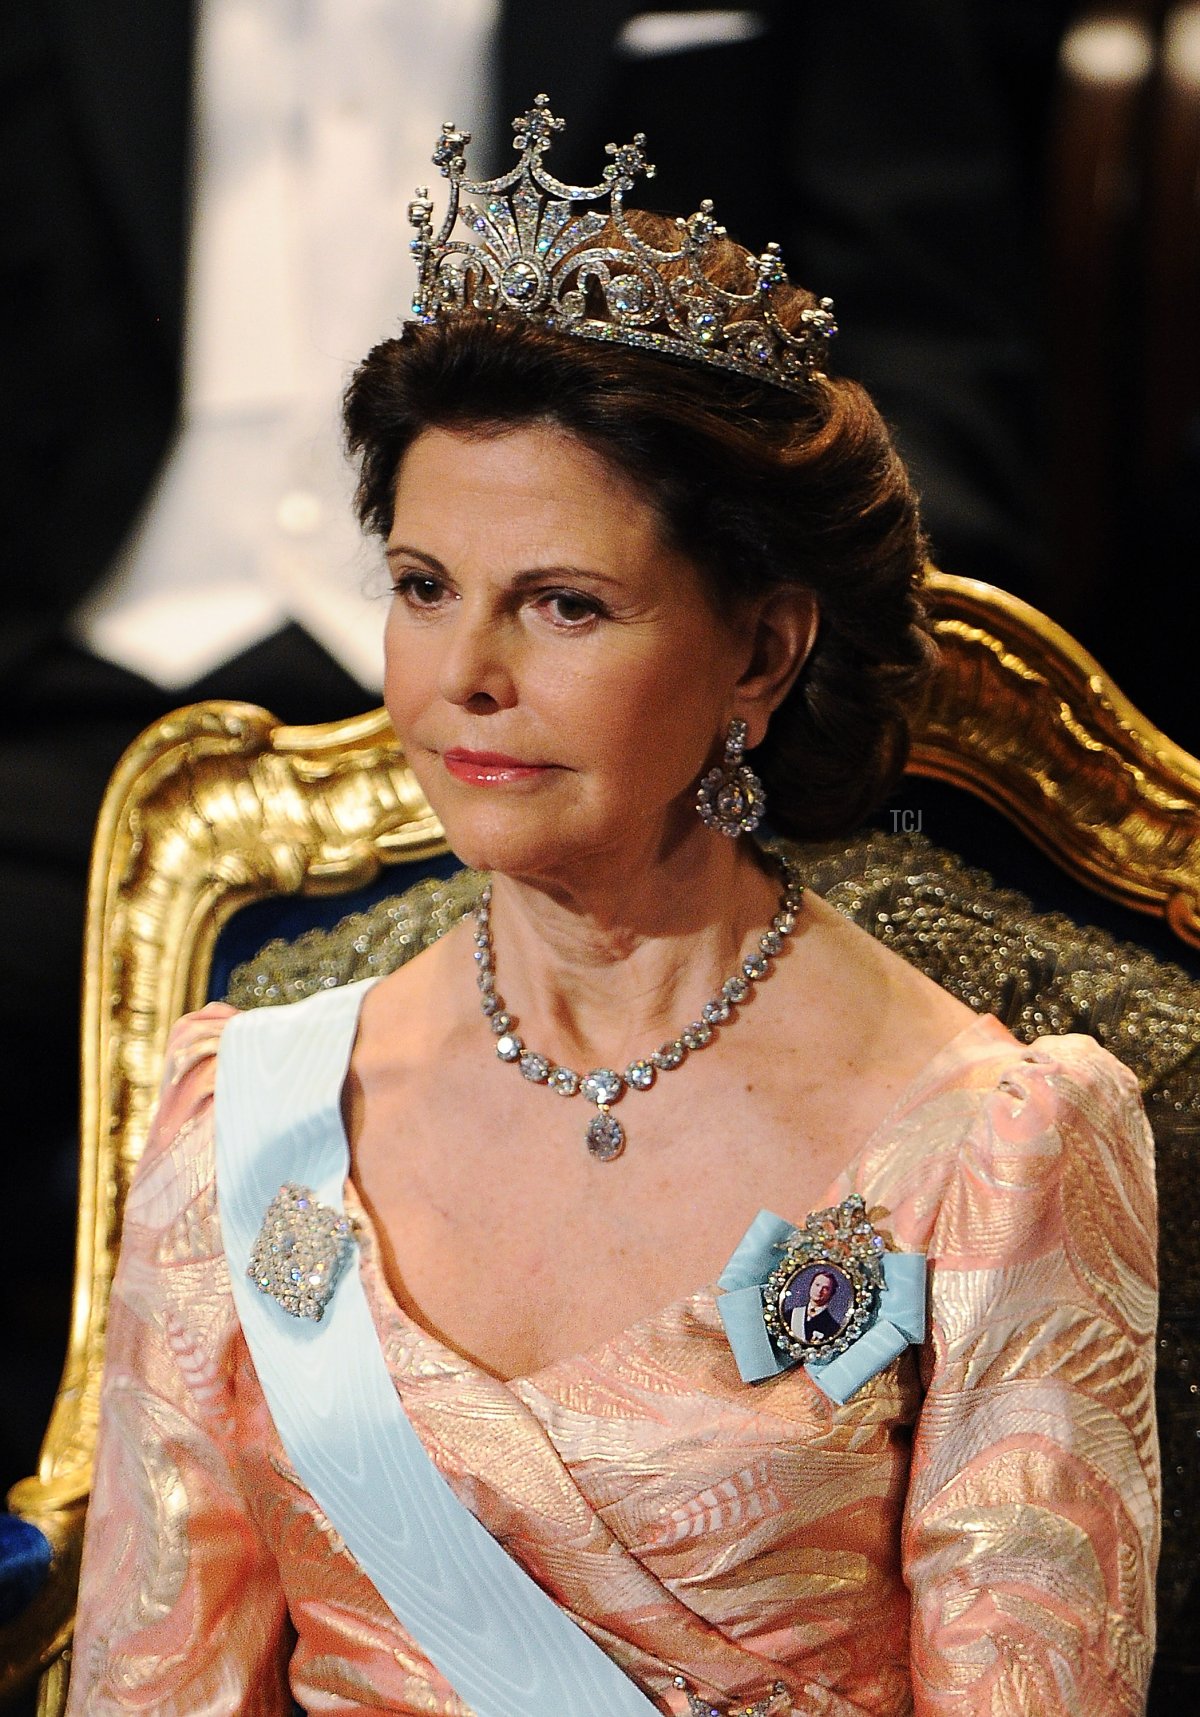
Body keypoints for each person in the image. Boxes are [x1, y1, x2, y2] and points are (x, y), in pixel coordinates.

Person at [65, 98, 1158, 1716]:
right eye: (425, 588)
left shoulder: (991, 1146)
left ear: (761, 653)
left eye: (563, 604)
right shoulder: (250, 1113)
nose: (465, 682)